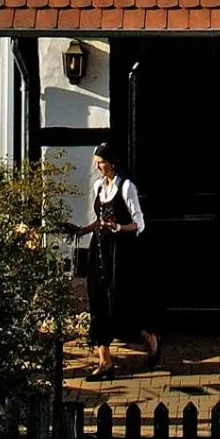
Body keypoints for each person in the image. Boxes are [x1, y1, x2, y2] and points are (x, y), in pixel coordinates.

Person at [75, 144, 160, 380]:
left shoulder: (126, 187)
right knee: (98, 303)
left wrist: (119, 228)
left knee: (123, 305)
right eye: (96, 163)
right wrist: (83, 230)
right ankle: (105, 362)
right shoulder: (98, 186)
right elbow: (99, 220)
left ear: (111, 162)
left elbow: (139, 223)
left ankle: (150, 338)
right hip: (99, 251)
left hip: (119, 253)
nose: (98, 167)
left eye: (100, 162)